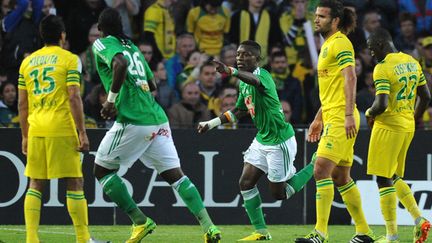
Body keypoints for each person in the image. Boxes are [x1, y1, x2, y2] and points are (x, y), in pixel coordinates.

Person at [92, 8, 221, 243]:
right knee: (176, 176)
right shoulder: (133, 47)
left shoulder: (103, 44)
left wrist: (111, 102)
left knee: (101, 170)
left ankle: (140, 221)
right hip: (157, 119)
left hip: (134, 119)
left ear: (100, 29)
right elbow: (152, 83)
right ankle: (209, 227)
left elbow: (119, 64)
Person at [197, 40, 314, 241]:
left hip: (279, 141)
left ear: (258, 59)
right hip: (262, 139)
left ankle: (315, 163)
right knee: (245, 182)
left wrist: (231, 71)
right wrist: (213, 123)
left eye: (246, 55)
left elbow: (256, 83)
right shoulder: (243, 83)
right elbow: (240, 110)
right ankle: (261, 232)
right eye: (238, 54)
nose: (240, 58)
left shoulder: (263, 76)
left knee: (280, 194)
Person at [17, 15, 106, 243]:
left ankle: (31, 239)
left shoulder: (27, 63)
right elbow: (74, 96)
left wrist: (25, 135)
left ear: (41, 36)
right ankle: (83, 238)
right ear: (62, 35)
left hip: (36, 128)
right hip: (62, 128)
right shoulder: (70, 59)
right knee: (75, 181)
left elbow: (22, 104)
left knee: (35, 183)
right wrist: (82, 131)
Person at [295, 1, 377, 242]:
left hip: (342, 116)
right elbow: (334, 87)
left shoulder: (340, 43)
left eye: (322, 16)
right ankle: (364, 232)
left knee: (321, 169)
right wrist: (318, 118)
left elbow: (350, 76)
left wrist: (350, 114)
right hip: (333, 114)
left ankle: (320, 233)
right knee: (341, 177)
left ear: (336, 21)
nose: (316, 19)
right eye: (316, 15)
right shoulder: (328, 44)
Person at [365, 28, 431, 243]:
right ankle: (419, 219)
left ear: (381, 44)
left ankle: (391, 235)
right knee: (394, 176)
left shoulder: (382, 68)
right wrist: (414, 116)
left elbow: (381, 103)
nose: (371, 53)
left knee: (383, 179)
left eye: (372, 48)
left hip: (388, 127)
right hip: (407, 126)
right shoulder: (412, 61)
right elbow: (426, 96)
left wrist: (369, 112)